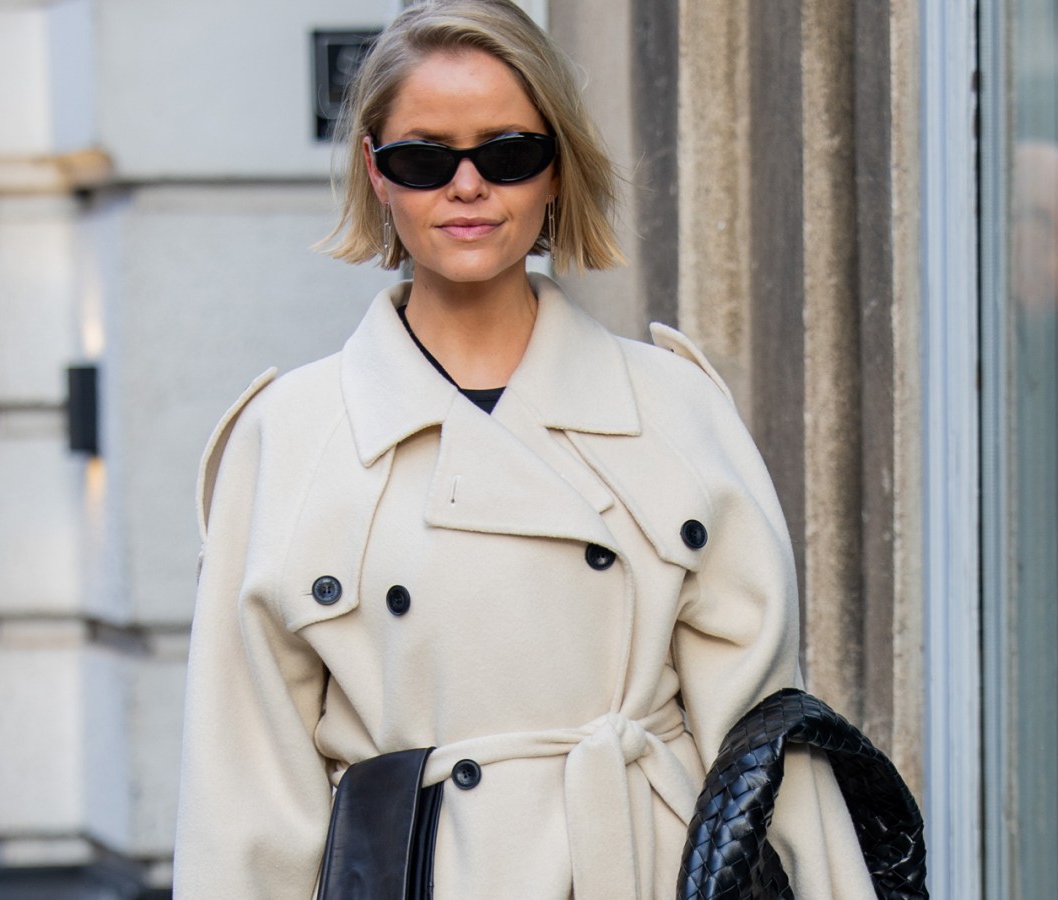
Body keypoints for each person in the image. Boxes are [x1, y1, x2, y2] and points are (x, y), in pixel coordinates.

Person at [173, 1, 877, 897]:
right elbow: (245, 799)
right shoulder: (291, 437)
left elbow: (766, 739)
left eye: (507, 154)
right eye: (425, 159)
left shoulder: (671, 406)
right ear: (376, 175)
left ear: (555, 170)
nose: (467, 187)